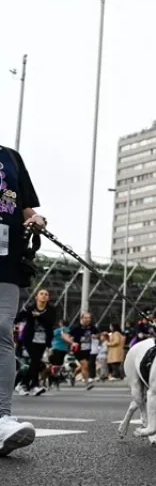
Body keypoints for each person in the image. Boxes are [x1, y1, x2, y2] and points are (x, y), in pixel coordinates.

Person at [0, 143, 45, 456]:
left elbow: (24, 206)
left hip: (7, 254)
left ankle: (1, 418)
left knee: (2, 330)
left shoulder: (10, 157)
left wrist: (35, 219)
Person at [15, 289, 55, 396]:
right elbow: (18, 318)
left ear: (48, 298)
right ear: (36, 297)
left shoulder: (51, 310)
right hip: (29, 339)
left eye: (46, 294)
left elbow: (50, 323)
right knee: (35, 360)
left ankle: (23, 384)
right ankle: (34, 386)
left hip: (42, 340)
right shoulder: (29, 308)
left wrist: (39, 316)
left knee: (36, 363)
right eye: (41, 294)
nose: (43, 296)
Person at [63, 312, 99, 390]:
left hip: (88, 350)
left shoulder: (92, 327)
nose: (88, 319)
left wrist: (95, 336)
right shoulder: (76, 327)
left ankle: (72, 376)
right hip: (78, 350)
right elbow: (66, 336)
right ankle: (87, 383)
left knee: (84, 366)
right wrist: (72, 342)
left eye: (89, 318)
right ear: (82, 319)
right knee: (84, 365)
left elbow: (98, 335)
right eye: (86, 318)